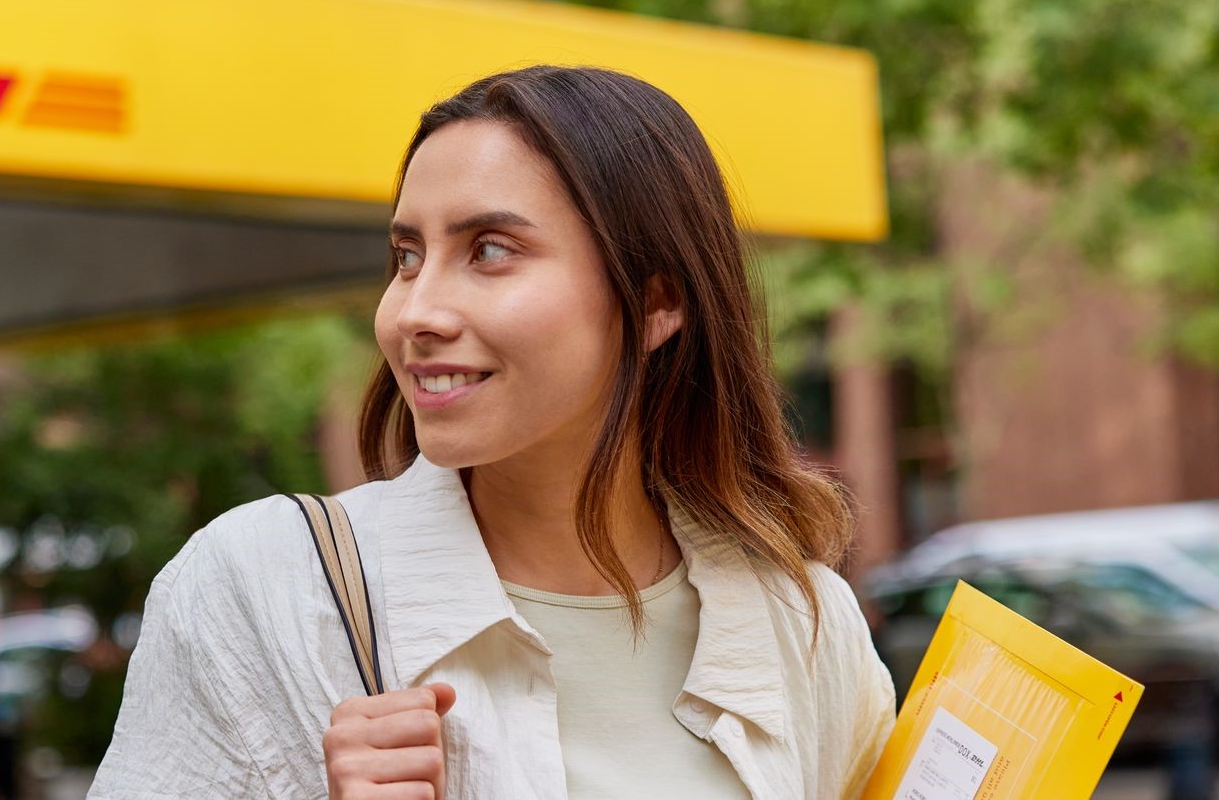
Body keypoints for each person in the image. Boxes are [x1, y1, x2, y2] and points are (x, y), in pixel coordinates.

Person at [88, 66, 896, 799]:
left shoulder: (803, 624)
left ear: (657, 302)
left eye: (490, 250)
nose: (414, 312)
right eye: (407, 255)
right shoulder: (262, 590)